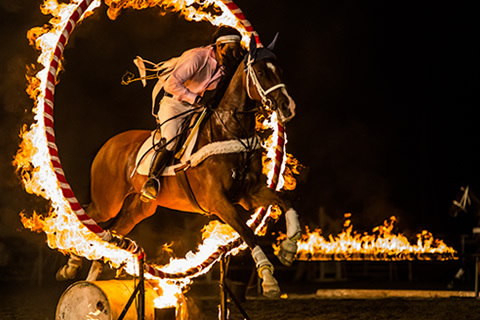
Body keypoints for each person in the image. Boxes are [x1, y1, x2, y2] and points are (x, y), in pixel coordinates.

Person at [140, 26, 245, 201]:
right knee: (172, 138)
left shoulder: (225, 65)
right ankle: (152, 180)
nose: (235, 53)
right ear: (219, 47)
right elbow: (171, 84)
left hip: (196, 107)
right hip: (174, 104)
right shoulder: (197, 57)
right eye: (232, 49)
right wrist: (195, 99)